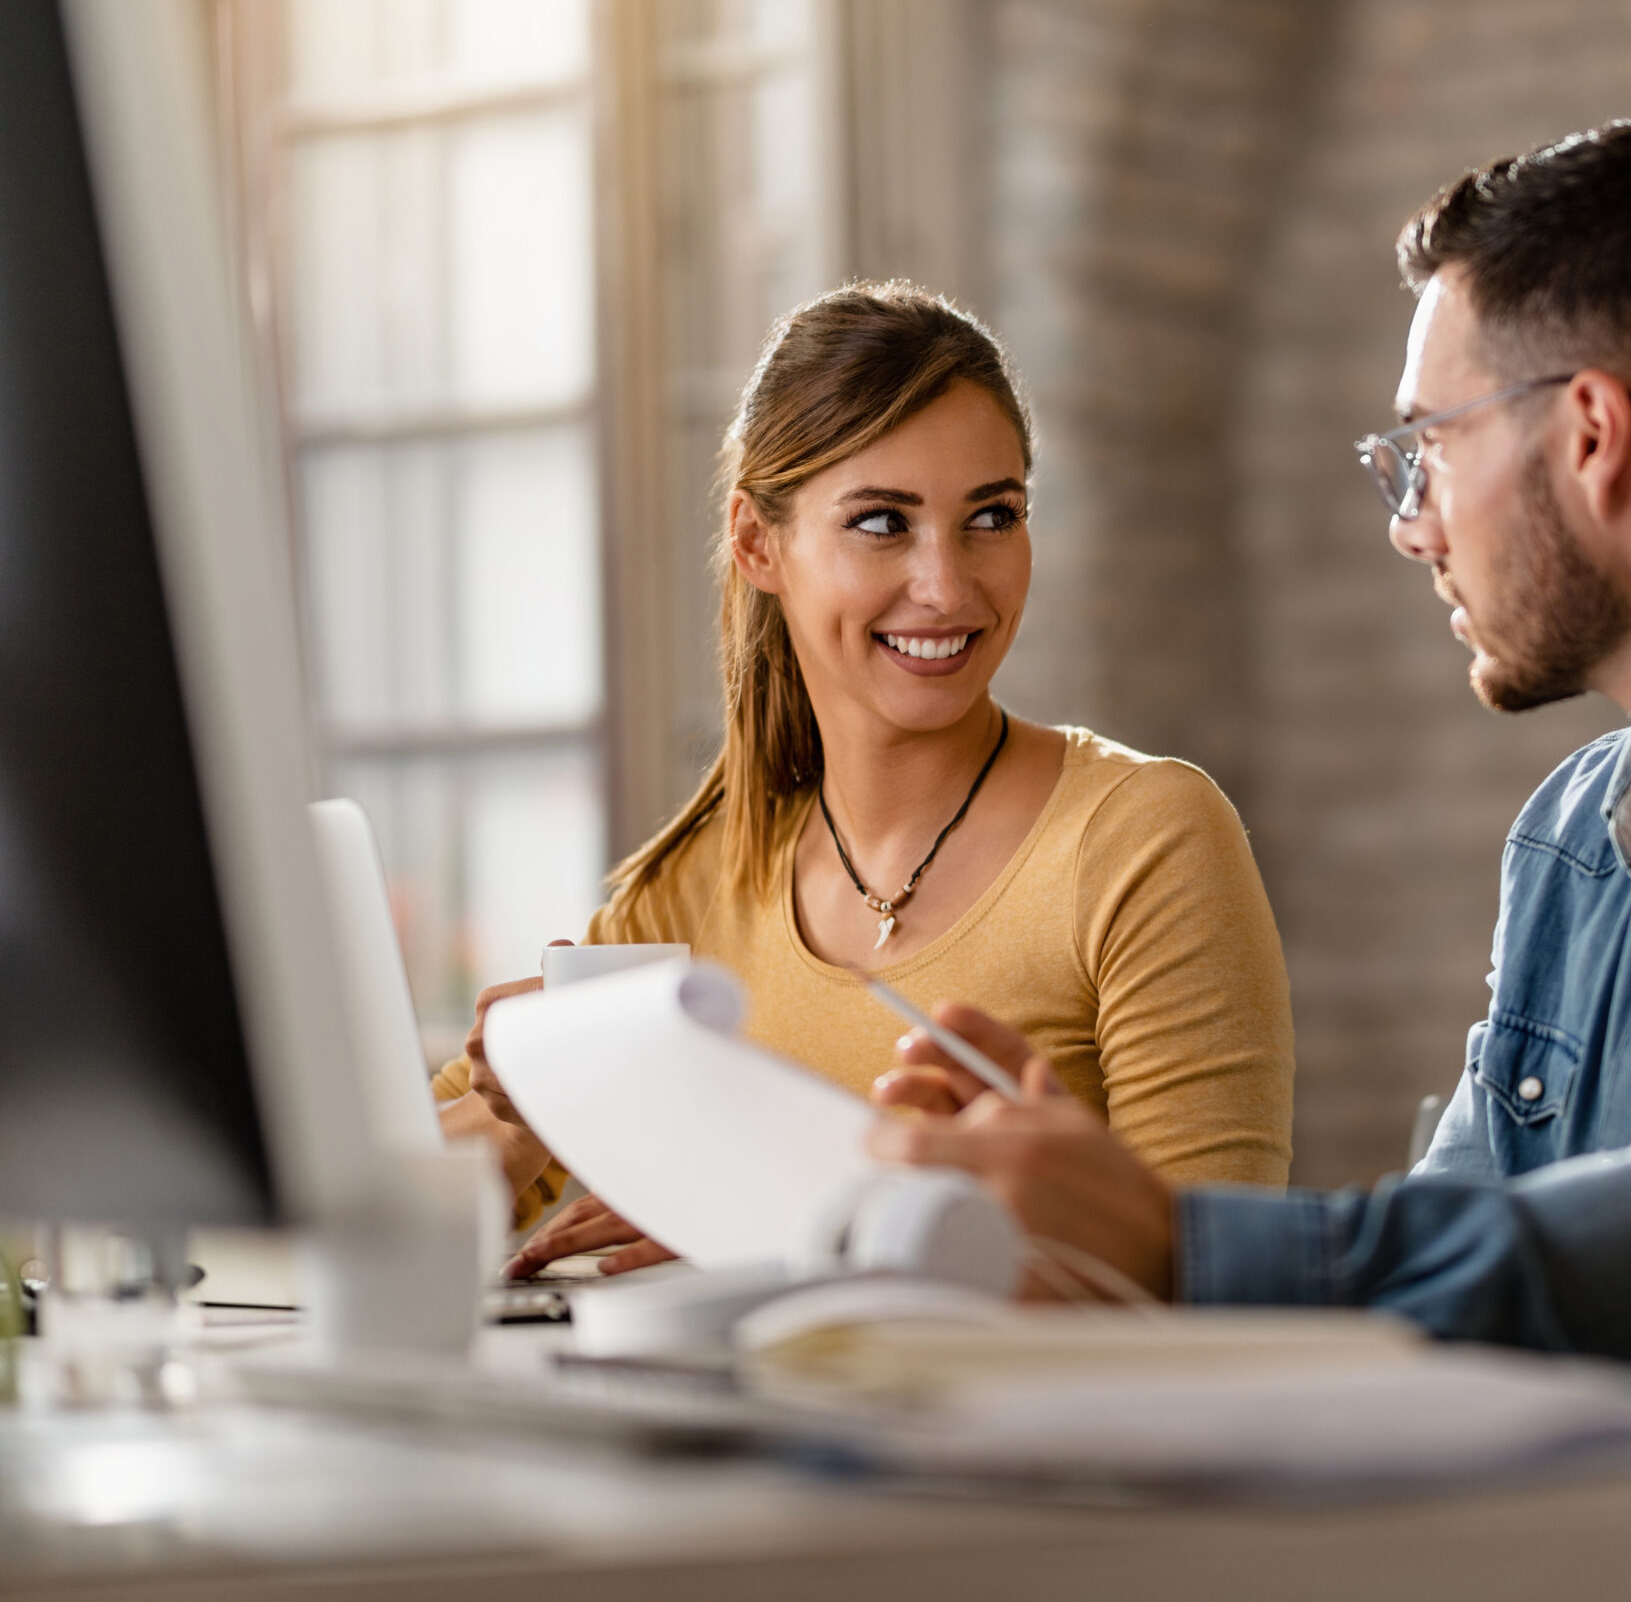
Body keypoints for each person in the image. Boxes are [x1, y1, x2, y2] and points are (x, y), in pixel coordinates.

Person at [870, 120, 1631, 1374]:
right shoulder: (1573, 837)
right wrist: (1089, 1244)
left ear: (1590, 433)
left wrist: (1179, 1247)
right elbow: (1454, 1271)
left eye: (1429, 447)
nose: (1412, 527)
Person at [436, 282, 1295, 1271]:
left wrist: (759, 1230)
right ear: (761, 544)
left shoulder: (1143, 838)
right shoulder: (688, 892)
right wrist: (544, 1099)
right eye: (884, 523)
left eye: (992, 515)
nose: (947, 585)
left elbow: (1216, 1282)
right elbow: (389, 1202)